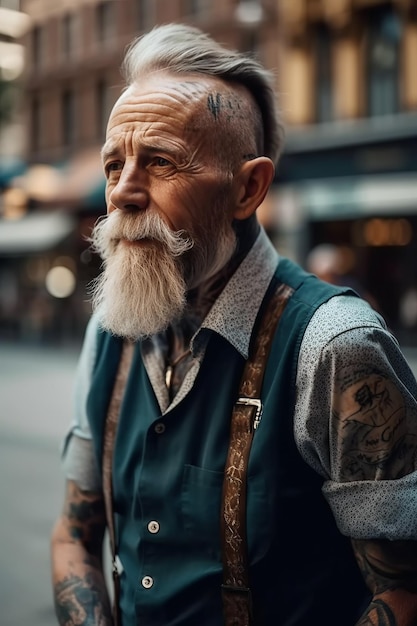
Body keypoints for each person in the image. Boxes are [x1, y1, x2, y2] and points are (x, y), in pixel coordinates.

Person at [50, 23, 417, 626]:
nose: (122, 194)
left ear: (249, 188)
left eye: (161, 162)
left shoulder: (333, 346)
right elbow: (74, 535)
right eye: (115, 165)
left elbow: (403, 589)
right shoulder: (109, 332)